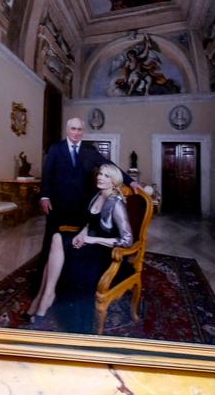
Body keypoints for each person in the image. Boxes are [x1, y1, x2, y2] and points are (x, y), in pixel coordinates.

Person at [27, 164, 134, 332]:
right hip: (90, 240)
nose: (100, 177)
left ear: (114, 182)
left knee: (59, 255)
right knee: (56, 238)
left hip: (104, 252)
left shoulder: (116, 203)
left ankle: (44, 298)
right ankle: (46, 295)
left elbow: (127, 240)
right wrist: (82, 234)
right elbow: (90, 222)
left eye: (106, 176)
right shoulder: (97, 195)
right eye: (100, 173)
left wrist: (91, 239)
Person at [37, 117, 130, 262]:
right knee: (51, 238)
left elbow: (109, 164)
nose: (76, 132)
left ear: (83, 131)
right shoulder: (56, 148)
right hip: (57, 204)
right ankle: (46, 265)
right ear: (67, 130)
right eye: (73, 129)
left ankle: (68, 267)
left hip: (82, 205)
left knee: (77, 241)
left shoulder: (90, 150)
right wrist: (44, 196)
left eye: (79, 129)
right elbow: (47, 174)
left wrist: (131, 181)